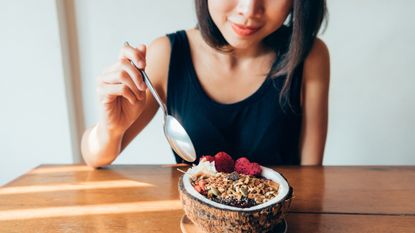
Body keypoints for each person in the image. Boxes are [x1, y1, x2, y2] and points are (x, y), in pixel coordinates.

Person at [81, 0, 330, 168]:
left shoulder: (309, 56)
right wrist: (110, 129)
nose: (249, 9)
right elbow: (95, 158)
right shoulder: (166, 55)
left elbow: (311, 179)